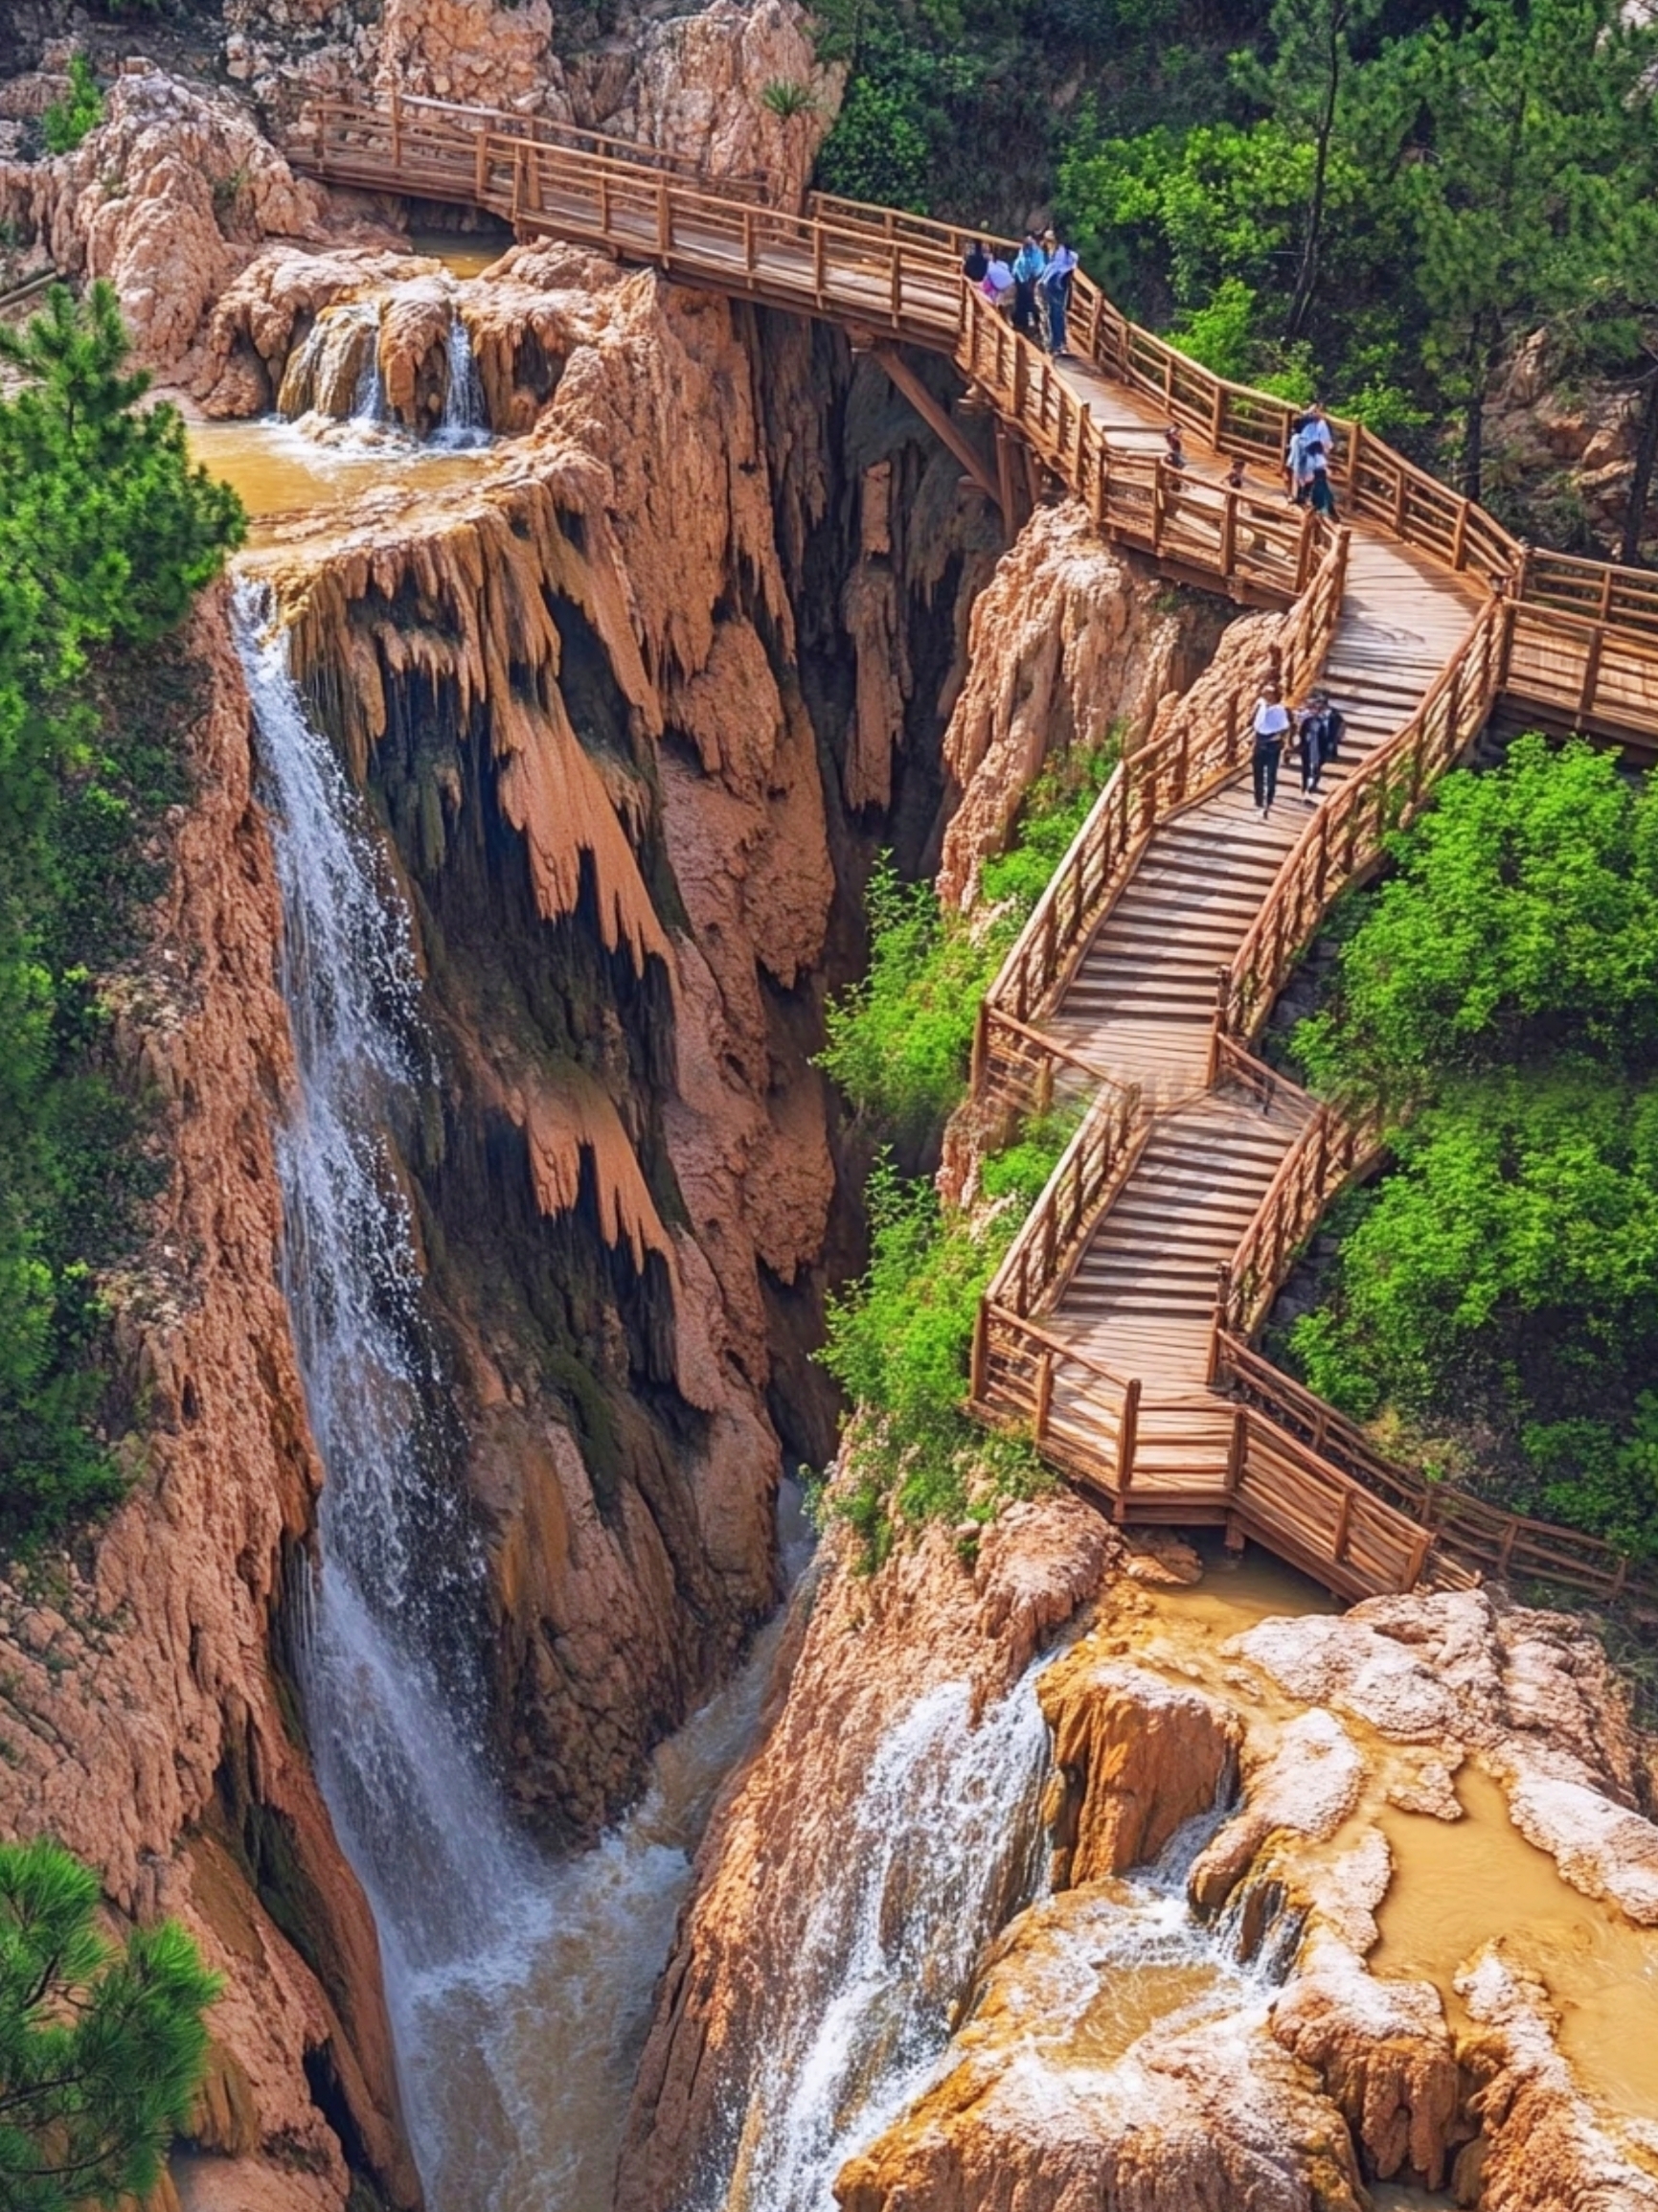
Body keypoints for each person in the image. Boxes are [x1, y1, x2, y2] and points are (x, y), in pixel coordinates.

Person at [1037, 228, 1079, 355]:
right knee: (1054, 313)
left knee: (1054, 313)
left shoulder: (1058, 253)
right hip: (1054, 285)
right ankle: (1057, 343)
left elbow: (1053, 270)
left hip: (1054, 285)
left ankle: (1056, 344)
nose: (1049, 243)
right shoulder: (1056, 253)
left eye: (1050, 241)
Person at [1252, 687, 1290, 818]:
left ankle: (1268, 801)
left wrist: (1278, 740)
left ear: (1274, 695)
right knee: (1257, 773)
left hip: (1272, 744)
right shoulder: (1261, 705)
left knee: (1270, 774)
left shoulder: (1280, 710)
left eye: (1268, 693)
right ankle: (1258, 801)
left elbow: (1284, 728)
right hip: (1259, 741)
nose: (1264, 694)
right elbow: (1255, 722)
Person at [1011, 232, 1045, 339]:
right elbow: (1020, 263)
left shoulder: (1036, 252)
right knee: (1021, 301)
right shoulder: (1025, 250)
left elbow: (1038, 266)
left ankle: (1032, 324)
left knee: (1028, 301)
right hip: (1022, 277)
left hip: (1030, 279)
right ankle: (1021, 323)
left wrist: (1033, 278)